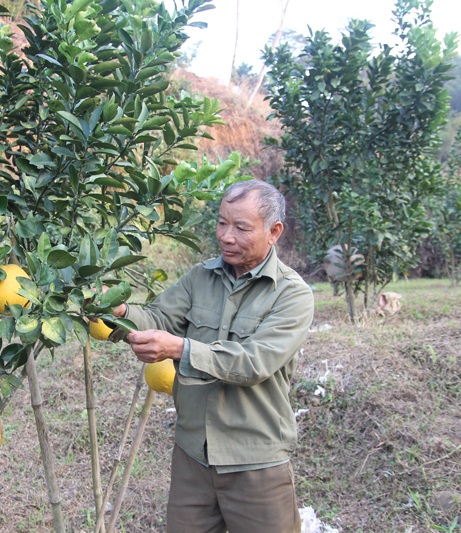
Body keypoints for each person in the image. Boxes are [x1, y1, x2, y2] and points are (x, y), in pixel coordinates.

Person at [109, 180, 314, 533]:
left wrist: (178, 348)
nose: (226, 236)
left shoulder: (292, 295)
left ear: (274, 231)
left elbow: (254, 362)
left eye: (241, 227)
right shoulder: (199, 278)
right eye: (221, 223)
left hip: (255, 463)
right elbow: (158, 318)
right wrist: (119, 309)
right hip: (193, 457)